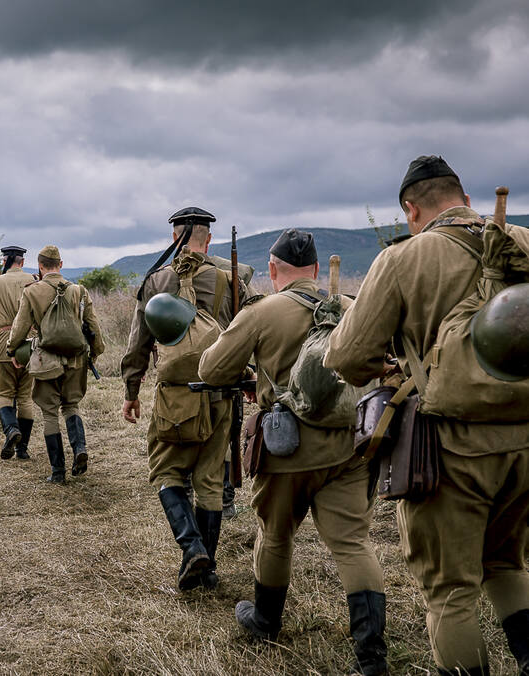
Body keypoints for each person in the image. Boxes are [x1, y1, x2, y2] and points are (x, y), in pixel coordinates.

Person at [324, 155, 529, 676]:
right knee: (507, 563)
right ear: (463, 196)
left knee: (450, 590)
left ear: (411, 209)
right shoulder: (523, 241)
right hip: (525, 442)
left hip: (449, 448)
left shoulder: (404, 259)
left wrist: (397, 362)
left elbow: (346, 359)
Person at [199, 229, 387, 675]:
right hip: (350, 447)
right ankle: (371, 656)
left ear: (272, 270)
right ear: (318, 271)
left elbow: (211, 368)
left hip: (287, 452)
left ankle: (266, 621)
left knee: (275, 534)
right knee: (354, 544)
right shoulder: (350, 306)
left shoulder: (262, 312)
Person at [120, 207, 244, 592]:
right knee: (209, 480)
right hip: (221, 393)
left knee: (166, 471)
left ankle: (192, 549)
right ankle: (207, 569)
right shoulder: (230, 279)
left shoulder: (156, 280)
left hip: (173, 395)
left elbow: (138, 343)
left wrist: (131, 391)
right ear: (208, 240)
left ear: (175, 238)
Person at [7, 245, 104, 482]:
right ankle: (79, 449)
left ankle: (58, 472)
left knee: (50, 413)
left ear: (40, 267)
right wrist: (95, 353)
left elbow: (20, 327)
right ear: (61, 265)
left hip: (46, 359)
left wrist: (12, 350)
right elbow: (93, 326)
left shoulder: (32, 291)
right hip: (76, 358)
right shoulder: (79, 291)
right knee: (71, 406)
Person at [0, 245, 36, 458]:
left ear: (4, 261)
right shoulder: (32, 280)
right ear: (21, 262)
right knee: (25, 398)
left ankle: (11, 429)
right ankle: (23, 450)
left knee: (3, 393)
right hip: (29, 345)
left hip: (3, 343)